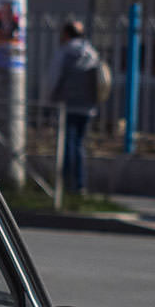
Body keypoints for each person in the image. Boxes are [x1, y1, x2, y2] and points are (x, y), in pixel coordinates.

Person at [45, 19, 104, 194]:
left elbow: (53, 79)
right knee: (79, 145)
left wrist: (47, 100)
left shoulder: (65, 52)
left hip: (67, 106)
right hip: (87, 107)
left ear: (66, 34)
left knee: (67, 145)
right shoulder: (92, 53)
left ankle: (65, 184)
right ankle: (79, 184)